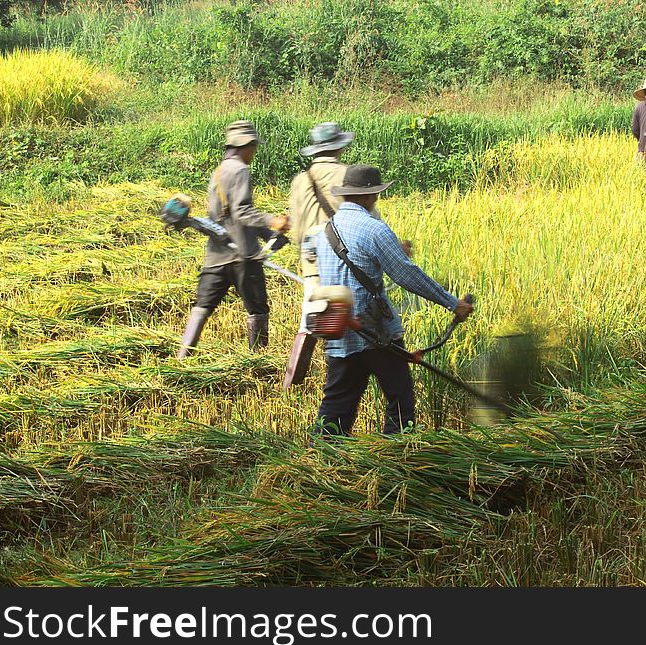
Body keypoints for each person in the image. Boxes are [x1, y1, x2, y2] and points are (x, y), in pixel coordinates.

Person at [312, 164, 474, 437]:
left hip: (340, 329)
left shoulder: (325, 231)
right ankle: (396, 456)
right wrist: (451, 302)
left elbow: (353, 260)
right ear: (367, 197)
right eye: (376, 195)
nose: (376, 200)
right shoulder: (374, 229)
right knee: (400, 400)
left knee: (337, 403)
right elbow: (406, 274)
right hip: (374, 332)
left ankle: (320, 460)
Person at [176, 120, 289, 359]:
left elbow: (224, 216)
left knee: (202, 307)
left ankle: (182, 358)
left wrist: (269, 236)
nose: (254, 153)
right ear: (245, 146)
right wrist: (273, 222)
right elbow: (242, 212)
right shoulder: (240, 170)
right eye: (253, 148)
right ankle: (258, 360)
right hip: (243, 255)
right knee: (257, 309)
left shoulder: (218, 172)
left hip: (217, 255)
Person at [283, 122, 361, 387]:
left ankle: (291, 381)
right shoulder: (350, 176)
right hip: (342, 251)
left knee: (312, 312)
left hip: (311, 253)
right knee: (351, 310)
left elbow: (296, 224)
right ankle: (341, 375)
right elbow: (366, 219)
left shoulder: (300, 180)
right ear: (339, 147)